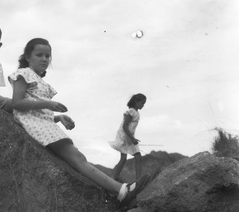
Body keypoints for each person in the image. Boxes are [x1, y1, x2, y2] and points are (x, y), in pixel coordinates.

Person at [8, 38, 151, 209]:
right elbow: (17, 104)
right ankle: (121, 191)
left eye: (48, 56)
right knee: (77, 158)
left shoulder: (40, 81)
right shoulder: (23, 73)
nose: (45, 59)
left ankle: (119, 190)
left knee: (77, 158)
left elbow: (38, 112)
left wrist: (58, 117)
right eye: (39, 55)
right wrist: (48, 104)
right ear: (27, 56)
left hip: (43, 124)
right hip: (36, 125)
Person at [109, 93, 146, 181]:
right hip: (124, 136)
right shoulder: (131, 111)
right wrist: (133, 139)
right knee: (124, 158)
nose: (143, 105)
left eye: (144, 104)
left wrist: (133, 138)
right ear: (136, 102)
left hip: (130, 136)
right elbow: (125, 126)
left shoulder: (137, 113)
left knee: (137, 156)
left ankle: (138, 180)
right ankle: (115, 178)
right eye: (142, 103)